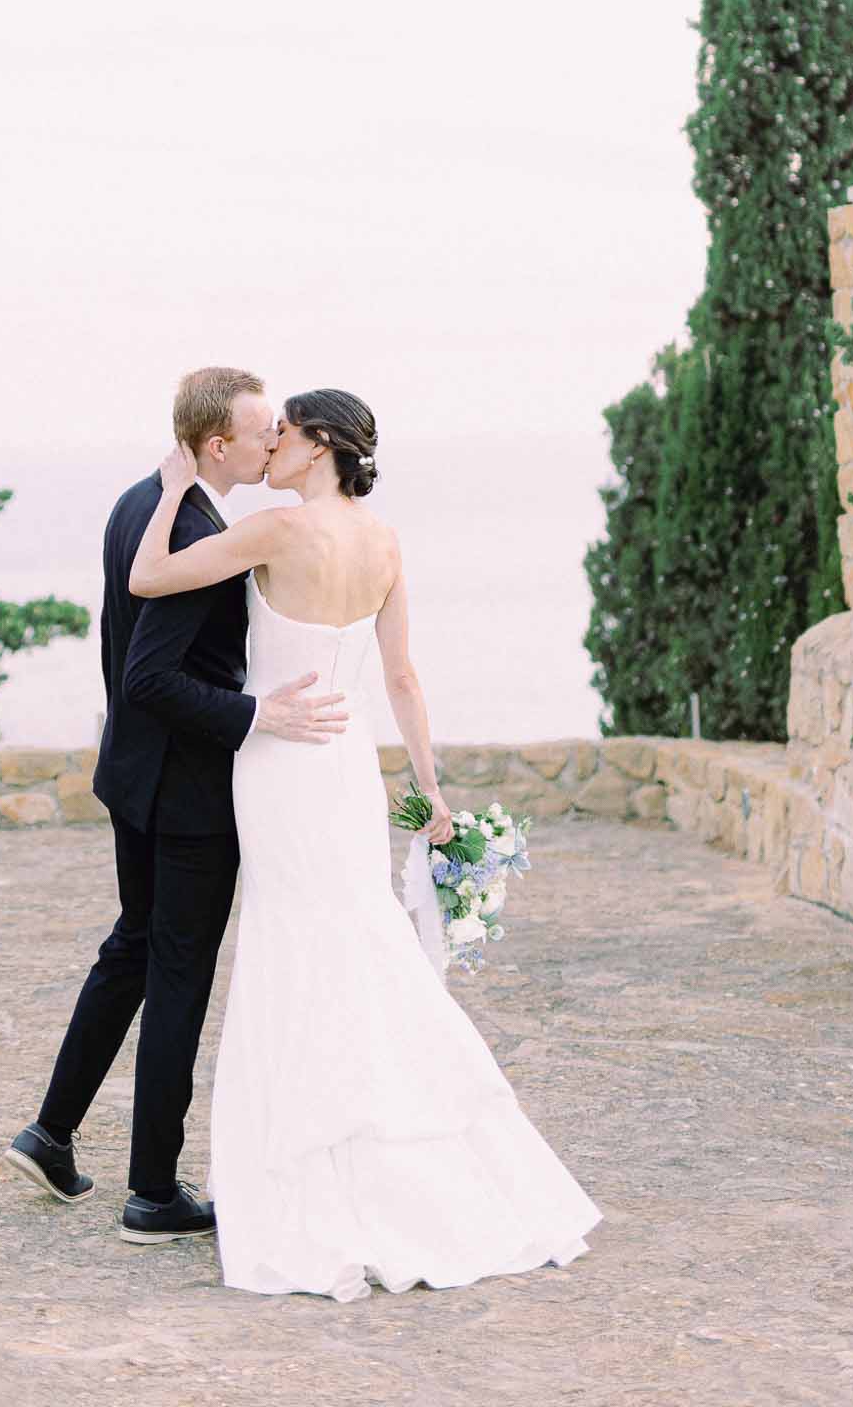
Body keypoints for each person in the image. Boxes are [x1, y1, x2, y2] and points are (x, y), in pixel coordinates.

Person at [126, 386, 602, 1300]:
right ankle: (397, 1144)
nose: (274, 446)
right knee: (358, 939)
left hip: (278, 759)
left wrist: (170, 489)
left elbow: (151, 578)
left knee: (293, 945)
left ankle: (311, 1168)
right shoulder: (384, 543)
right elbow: (403, 677)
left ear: (323, 445)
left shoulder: (273, 530)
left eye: (288, 433)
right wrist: (432, 793)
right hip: (347, 769)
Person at [5, 367, 349, 1244]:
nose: (275, 440)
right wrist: (257, 714)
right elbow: (149, 676)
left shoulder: (139, 502)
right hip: (187, 796)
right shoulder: (189, 525)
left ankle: (50, 1135)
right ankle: (154, 1192)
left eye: (280, 429)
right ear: (214, 445)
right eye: (261, 430)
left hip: (134, 778)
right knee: (177, 982)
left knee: (130, 951)